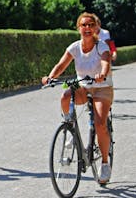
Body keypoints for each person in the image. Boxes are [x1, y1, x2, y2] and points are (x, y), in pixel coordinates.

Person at [41, 12, 113, 184]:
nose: (87, 28)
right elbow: (61, 65)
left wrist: (102, 74)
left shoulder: (101, 46)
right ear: (78, 28)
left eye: (90, 25)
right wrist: (50, 77)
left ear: (96, 27)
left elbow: (105, 62)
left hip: (101, 87)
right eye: (83, 25)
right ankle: (69, 127)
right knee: (65, 95)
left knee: (100, 123)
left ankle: (104, 162)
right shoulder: (74, 47)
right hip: (83, 85)